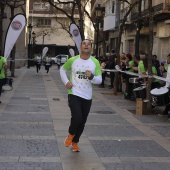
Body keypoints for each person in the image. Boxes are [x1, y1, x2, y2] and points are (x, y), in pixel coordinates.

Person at [60, 39, 102, 152]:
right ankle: (70, 135)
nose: (86, 45)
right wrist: (66, 82)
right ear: (80, 46)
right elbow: (62, 69)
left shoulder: (95, 62)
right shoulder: (73, 60)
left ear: (91, 48)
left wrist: (92, 76)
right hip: (74, 93)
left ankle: (75, 142)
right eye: (84, 43)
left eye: (89, 44)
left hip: (87, 96)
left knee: (82, 121)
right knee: (77, 117)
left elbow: (99, 80)